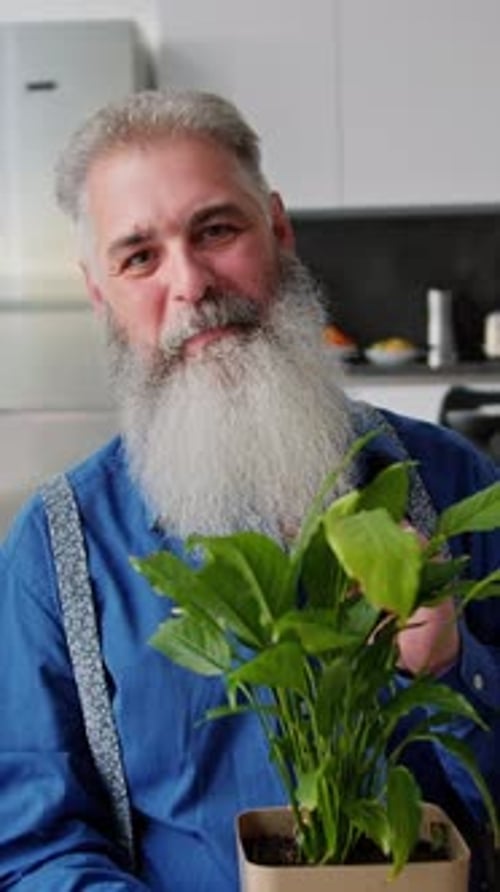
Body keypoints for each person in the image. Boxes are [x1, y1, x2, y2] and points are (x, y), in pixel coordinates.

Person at [0, 89, 499, 892]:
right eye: (139, 257)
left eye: (216, 230)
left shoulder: (453, 482)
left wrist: (448, 667)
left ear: (278, 228)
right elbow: (32, 850)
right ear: (101, 293)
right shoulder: (55, 552)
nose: (191, 283)